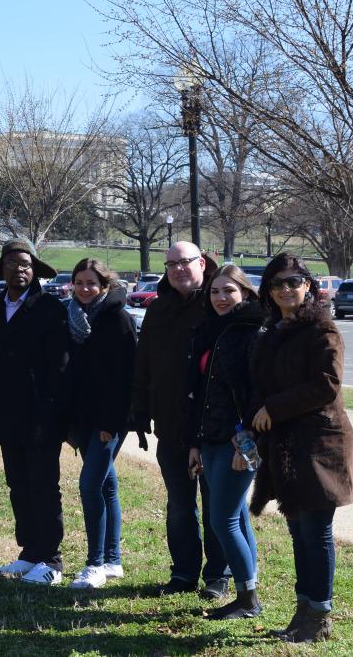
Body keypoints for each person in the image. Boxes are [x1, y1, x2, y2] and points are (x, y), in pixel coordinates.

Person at [249, 254, 353, 643]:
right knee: (298, 529)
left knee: (316, 530)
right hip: (286, 445)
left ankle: (319, 616)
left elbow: (327, 384)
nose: (285, 289)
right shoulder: (273, 332)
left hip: (319, 444)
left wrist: (273, 410)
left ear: (308, 286)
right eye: (277, 283)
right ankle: (303, 610)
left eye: (293, 281)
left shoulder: (322, 331)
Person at [131, 240, 230, 598]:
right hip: (170, 425)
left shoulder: (218, 303)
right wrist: (141, 411)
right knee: (179, 504)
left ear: (201, 263)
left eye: (184, 263)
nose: (177, 270)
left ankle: (218, 577)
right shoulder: (159, 310)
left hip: (212, 427)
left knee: (216, 504)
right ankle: (184, 573)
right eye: (170, 264)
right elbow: (143, 364)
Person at [0, 239, 71, 586]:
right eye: (12, 263)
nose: (19, 269)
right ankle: (30, 552)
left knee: (43, 485)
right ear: (2, 269)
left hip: (41, 413)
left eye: (25, 264)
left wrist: (53, 412)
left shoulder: (50, 308)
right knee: (17, 484)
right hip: (7, 411)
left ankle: (51, 558)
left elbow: (61, 365)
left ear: (34, 270)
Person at [186, 264, 265, 619]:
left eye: (229, 291)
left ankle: (248, 599)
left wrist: (247, 440)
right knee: (231, 515)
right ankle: (249, 589)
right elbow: (200, 393)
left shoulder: (254, 332)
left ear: (246, 294)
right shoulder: (210, 330)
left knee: (222, 519)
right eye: (215, 291)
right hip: (211, 437)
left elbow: (259, 394)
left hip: (240, 441)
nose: (220, 298)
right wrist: (194, 442)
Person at [66, 258, 136, 590]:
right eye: (79, 282)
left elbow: (125, 377)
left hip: (109, 420)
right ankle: (112, 560)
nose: (84, 289)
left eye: (91, 283)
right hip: (82, 417)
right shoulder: (72, 316)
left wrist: (111, 422)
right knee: (106, 485)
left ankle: (94, 564)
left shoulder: (117, 318)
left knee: (89, 485)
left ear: (104, 285)